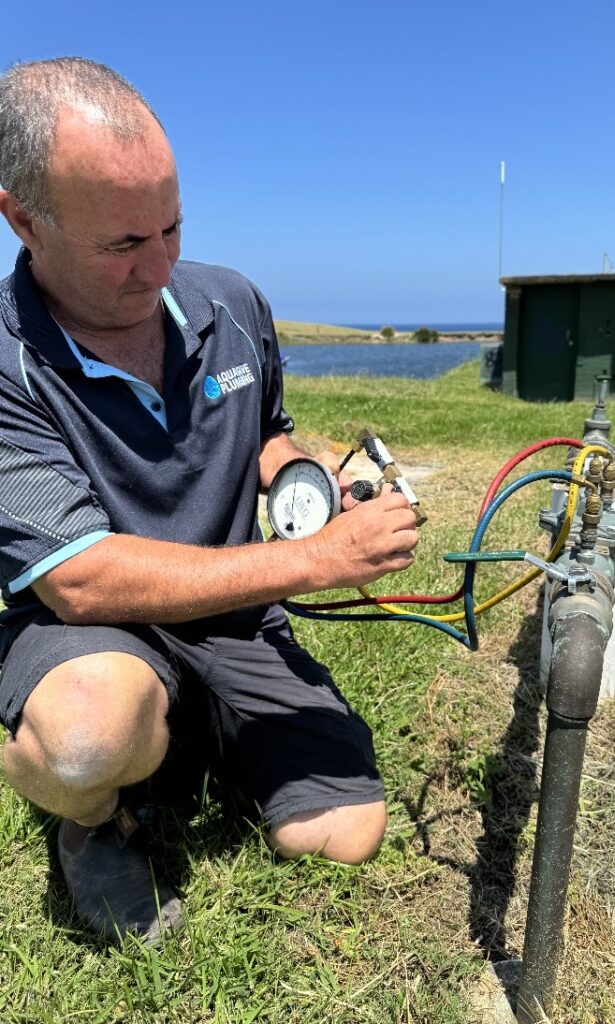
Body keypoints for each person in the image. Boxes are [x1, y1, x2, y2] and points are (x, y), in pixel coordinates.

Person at [0, 57, 419, 943]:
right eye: (122, 244)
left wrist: (296, 477)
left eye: (172, 228)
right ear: (23, 220)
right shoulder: (6, 364)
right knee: (85, 737)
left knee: (341, 833)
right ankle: (94, 815)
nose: (159, 268)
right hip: (86, 629)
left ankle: (186, 737)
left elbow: (267, 427)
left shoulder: (231, 303)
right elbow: (80, 580)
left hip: (234, 617)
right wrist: (318, 560)